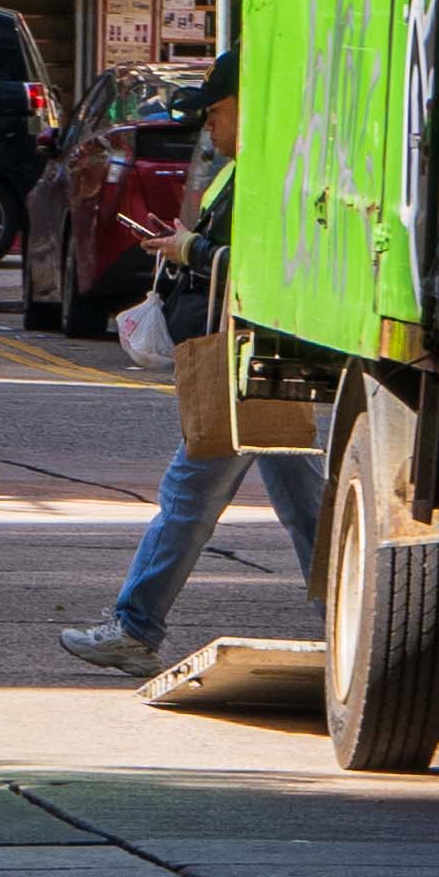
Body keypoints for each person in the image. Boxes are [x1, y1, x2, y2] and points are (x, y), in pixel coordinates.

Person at [60, 77, 325, 697]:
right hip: (255, 356)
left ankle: (134, 629)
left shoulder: (272, 175)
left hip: (253, 358)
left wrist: (193, 248)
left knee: (190, 494)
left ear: (249, 107)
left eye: (217, 112)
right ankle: (349, 626)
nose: (209, 126)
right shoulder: (250, 171)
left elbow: (269, 266)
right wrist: (185, 244)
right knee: (304, 507)